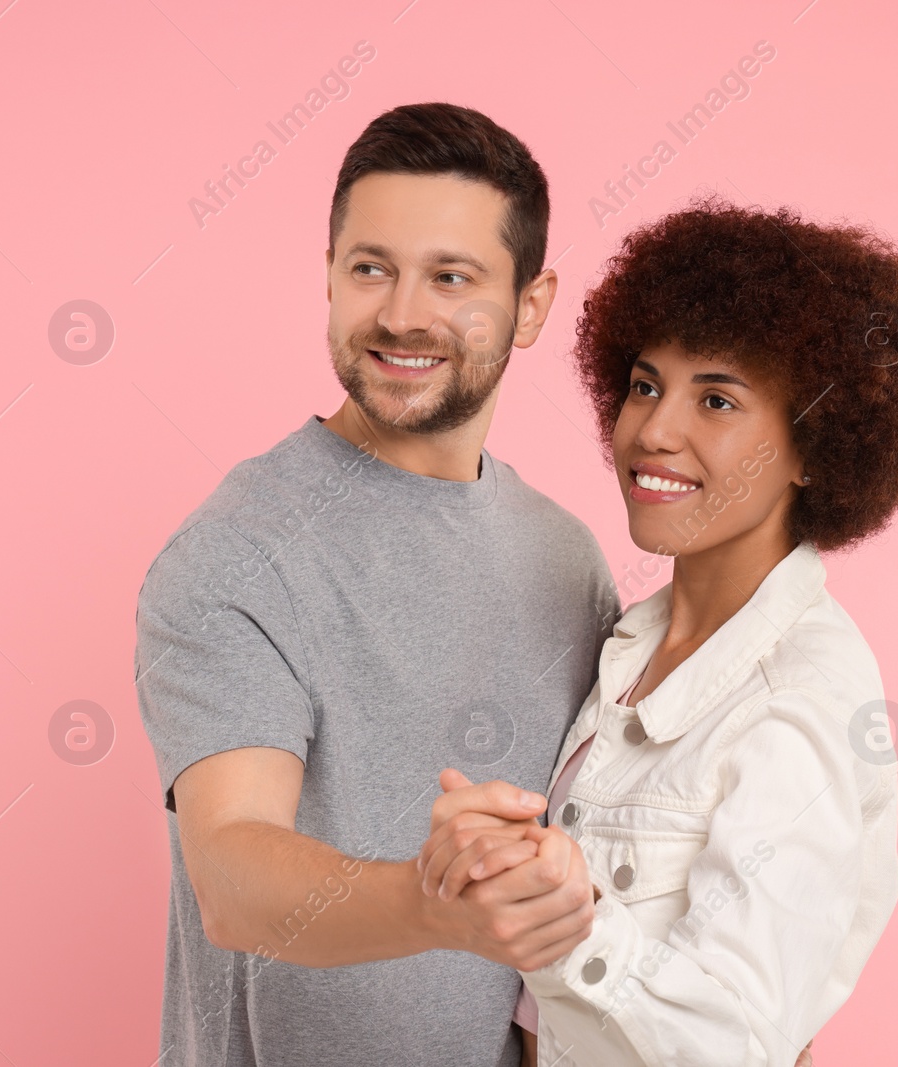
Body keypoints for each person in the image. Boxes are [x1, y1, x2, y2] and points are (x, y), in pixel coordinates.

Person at [418, 197, 898, 1065]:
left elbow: (737, 1038)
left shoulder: (798, 702)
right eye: (645, 384)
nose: (654, 430)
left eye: (716, 398)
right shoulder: (628, 643)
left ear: (814, 447)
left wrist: (562, 916)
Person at [133, 102, 618, 1066]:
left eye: (451, 276)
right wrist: (434, 903)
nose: (402, 313)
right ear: (328, 276)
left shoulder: (568, 559)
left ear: (530, 305)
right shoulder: (238, 551)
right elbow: (231, 870)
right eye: (371, 268)